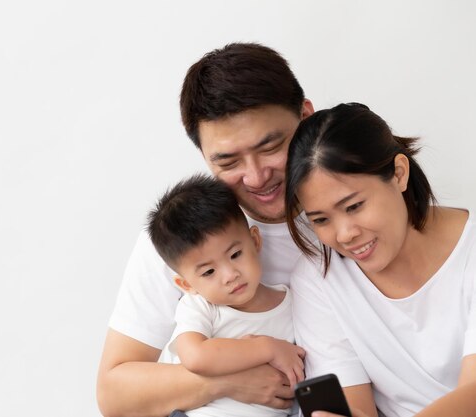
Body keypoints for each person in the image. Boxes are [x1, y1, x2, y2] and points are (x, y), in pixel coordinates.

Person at [96, 42, 315, 417]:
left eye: (271, 146)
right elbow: (114, 394)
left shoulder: (353, 216)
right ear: (205, 157)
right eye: (228, 160)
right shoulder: (183, 237)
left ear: (307, 117)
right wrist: (224, 382)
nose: (257, 176)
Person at [284, 102, 476, 417]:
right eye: (320, 220)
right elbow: (355, 405)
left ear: (399, 174)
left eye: (354, 205)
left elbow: (473, 395)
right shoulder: (317, 276)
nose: (344, 234)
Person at [148, 173, 305, 417]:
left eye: (235, 255)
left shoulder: (295, 305)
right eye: (209, 271)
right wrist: (267, 348)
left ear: (254, 241)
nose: (230, 275)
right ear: (187, 284)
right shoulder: (201, 307)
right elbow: (195, 356)